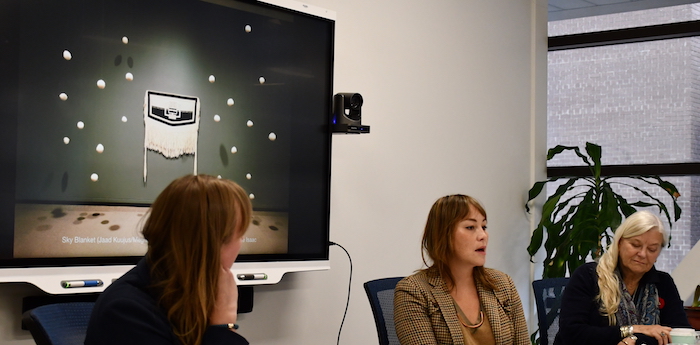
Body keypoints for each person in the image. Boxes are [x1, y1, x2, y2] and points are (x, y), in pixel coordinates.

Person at [85, 174, 252, 345]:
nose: (240, 245)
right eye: (240, 236)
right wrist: (223, 326)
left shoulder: (189, 291)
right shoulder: (125, 313)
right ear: (209, 247)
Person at [394, 194, 529, 345]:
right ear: (443, 234)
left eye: (484, 227)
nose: (483, 235)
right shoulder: (413, 292)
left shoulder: (503, 284)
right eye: (470, 227)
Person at [554, 210, 691, 345]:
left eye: (652, 249)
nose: (642, 254)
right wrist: (634, 329)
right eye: (635, 245)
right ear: (619, 243)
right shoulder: (588, 276)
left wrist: (635, 339)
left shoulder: (663, 283)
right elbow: (572, 333)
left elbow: (680, 333)